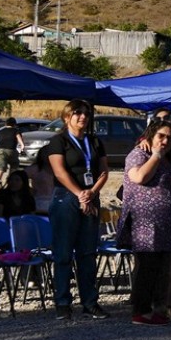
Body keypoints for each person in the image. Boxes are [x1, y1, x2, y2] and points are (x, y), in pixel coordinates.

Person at [47, 99, 110, 321]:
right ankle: (63, 303)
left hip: (91, 198)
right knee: (63, 253)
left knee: (87, 253)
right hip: (66, 198)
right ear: (67, 117)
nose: (83, 117)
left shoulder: (94, 141)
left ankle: (90, 302)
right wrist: (79, 193)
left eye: (86, 113)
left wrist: (91, 193)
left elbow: (103, 171)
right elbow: (59, 172)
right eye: (77, 113)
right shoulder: (58, 141)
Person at [122, 118, 171, 326]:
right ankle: (141, 311)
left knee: (162, 269)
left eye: (169, 138)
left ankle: (159, 309)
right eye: (161, 136)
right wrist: (155, 154)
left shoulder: (169, 161)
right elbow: (139, 177)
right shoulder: (138, 154)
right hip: (145, 224)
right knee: (147, 268)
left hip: (167, 224)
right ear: (150, 136)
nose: (165, 141)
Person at [0, 117, 24, 189]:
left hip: (0, 150)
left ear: (6, 124)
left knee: (0, 165)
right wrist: (22, 146)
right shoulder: (16, 130)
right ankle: (10, 179)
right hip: (11, 150)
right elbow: (19, 138)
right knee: (14, 164)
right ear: (14, 124)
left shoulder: (1, 131)